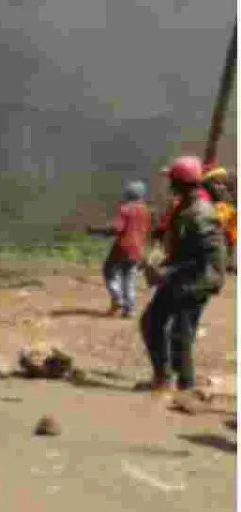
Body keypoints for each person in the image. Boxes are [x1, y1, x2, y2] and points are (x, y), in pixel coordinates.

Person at [138, 155, 228, 395]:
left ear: (179, 183)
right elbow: (183, 248)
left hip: (198, 280)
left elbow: (205, 257)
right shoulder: (186, 205)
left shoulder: (200, 213)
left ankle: (183, 386)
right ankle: (166, 379)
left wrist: (165, 271)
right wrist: (158, 263)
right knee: (155, 323)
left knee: (179, 331)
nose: (169, 184)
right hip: (184, 276)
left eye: (171, 180)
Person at [102, 181, 151, 318]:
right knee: (129, 278)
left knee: (108, 271)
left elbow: (117, 228)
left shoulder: (125, 209)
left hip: (122, 247)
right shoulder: (146, 211)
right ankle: (130, 309)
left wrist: (102, 231)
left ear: (129, 194)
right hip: (138, 248)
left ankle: (117, 298)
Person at [202, 166, 237, 272]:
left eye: (223, 184)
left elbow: (233, 236)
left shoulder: (227, 208)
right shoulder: (201, 206)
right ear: (208, 185)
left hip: (219, 261)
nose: (222, 187)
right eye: (217, 183)